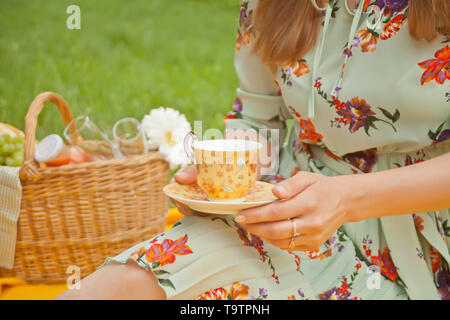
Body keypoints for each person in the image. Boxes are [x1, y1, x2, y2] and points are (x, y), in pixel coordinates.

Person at [56, 0, 450, 300]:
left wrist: (345, 201)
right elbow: (259, 118)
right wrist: (229, 174)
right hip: (288, 208)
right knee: (138, 281)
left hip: (424, 232)